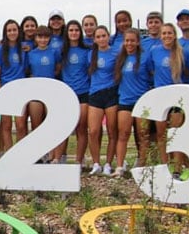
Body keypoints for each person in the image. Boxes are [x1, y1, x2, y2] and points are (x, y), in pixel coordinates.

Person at [146, 23, 187, 173]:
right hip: (160, 97)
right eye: (164, 33)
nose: (167, 36)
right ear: (160, 35)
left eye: (169, 33)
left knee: (176, 134)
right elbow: (151, 70)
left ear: (174, 35)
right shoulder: (155, 51)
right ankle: (164, 166)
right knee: (161, 134)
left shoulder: (182, 52)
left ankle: (177, 168)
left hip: (177, 97)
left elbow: (187, 73)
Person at [114, 28, 151, 176]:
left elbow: (152, 75)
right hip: (125, 100)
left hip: (142, 101)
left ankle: (141, 166)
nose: (129, 43)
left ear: (137, 42)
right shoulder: (121, 58)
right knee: (123, 134)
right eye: (127, 40)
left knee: (143, 135)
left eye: (132, 40)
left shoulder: (145, 58)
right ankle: (119, 166)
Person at [87, 26, 119, 175]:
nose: (101, 39)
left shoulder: (116, 53)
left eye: (103, 36)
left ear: (108, 37)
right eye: (98, 37)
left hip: (111, 93)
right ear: (94, 39)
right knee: (93, 131)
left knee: (112, 131)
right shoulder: (90, 54)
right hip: (95, 94)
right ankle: (96, 163)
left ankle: (108, 163)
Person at [26, 26, 60, 162]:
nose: (43, 40)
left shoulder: (54, 52)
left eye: (46, 37)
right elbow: (27, 71)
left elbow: (58, 68)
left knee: (51, 124)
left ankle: (52, 154)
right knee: (36, 125)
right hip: (36, 92)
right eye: (40, 37)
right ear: (35, 38)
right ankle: (38, 154)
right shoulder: (31, 54)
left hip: (51, 91)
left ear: (49, 38)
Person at [60, 20, 91, 168]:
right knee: (64, 128)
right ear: (67, 32)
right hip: (67, 94)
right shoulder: (61, 50)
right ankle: (59, 158)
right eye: (71, 30)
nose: (74, 33)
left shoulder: (86, 50)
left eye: (76, 30)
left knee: (81, 128)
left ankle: (79, 160)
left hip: (83, 92)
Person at [0, 19, 25, 155]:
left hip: (21, 91)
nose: (12, 33)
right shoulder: (0, 50)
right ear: (5, 32)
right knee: (6, 125)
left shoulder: (23, 49)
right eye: (9, 30)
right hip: (6, 90)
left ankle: (20, 154)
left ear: (18, 31)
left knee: (21, 125)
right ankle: (9, 154)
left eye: (14, 30)